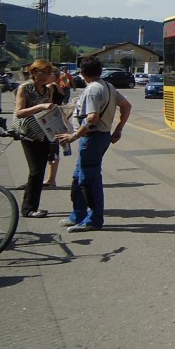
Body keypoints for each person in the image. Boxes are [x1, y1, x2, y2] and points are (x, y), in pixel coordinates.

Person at [57, 57, 131, 232]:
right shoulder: (108, 86)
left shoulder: (92, 90)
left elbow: (92, 118)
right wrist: (118, 128)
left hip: (92, 138)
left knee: (89, 179)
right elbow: (126, 106)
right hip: (101, 136)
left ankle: (93, 220)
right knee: (79, 177)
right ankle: (78, 215)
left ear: (82, 72)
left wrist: (74, 136)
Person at [12, 59, 59, 218]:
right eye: (42, 72)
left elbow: (49, 110)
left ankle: (33, 206)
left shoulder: (47, 89)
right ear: (33, 72)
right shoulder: (25, 88)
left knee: (40, 170)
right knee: (36, 170)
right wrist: (39, 107)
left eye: (48, 73)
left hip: (44, 132)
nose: (46, 76)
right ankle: (28, 209)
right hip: (29, 133)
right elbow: (19, 112)